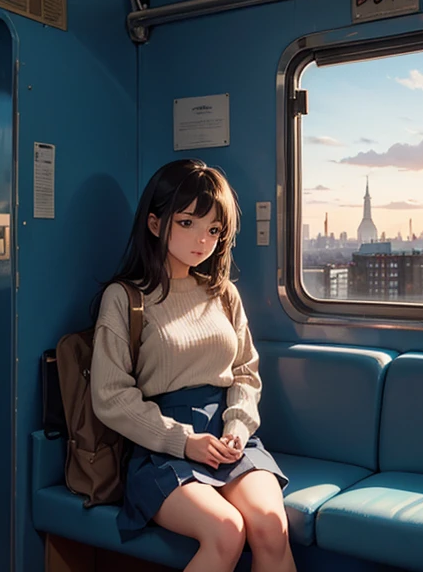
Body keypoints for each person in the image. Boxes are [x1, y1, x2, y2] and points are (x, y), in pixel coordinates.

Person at [90, 159, 295, 572]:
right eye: (187, 223)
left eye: (214, 230)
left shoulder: (223, 294)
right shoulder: (126, 298)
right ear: (154, 224)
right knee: (226, 531)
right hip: (161, 444)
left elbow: (244, 373)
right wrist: (184, 441)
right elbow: (110, 396)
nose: (203, 240)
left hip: (229, 436)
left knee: (272, 527)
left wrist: (237, 427)